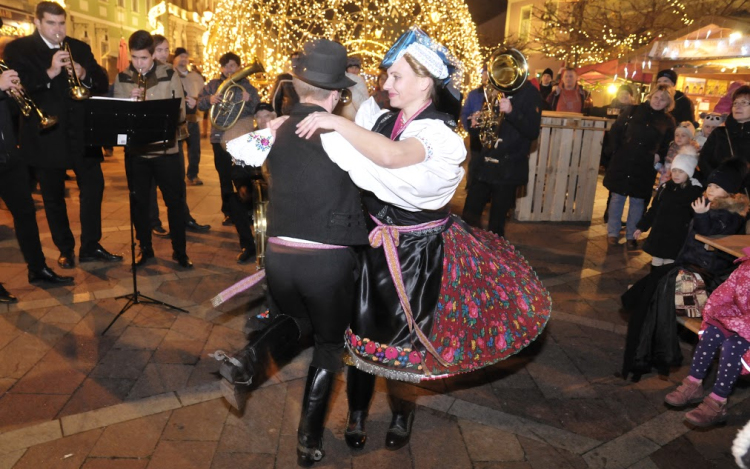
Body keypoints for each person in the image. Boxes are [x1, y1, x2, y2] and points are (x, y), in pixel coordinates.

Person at [294, 28, 551, 452]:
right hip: (372, 243)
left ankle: (401, 414)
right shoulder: (378, 118)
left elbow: (392, 155)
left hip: (416, 252)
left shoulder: (439, 135)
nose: (385, 84)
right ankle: (358, 412)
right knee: (359, 330)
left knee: (404, 337)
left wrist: (334, 119)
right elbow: (356, 155)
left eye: (396, 77)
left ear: (425, 81)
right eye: (386, 76)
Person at [216, 39, 368, 466]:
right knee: (327, 346)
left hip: (280, 259)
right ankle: (307, 440)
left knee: (297, 322)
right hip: (327, 262)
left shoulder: (279, 128)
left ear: (298, 88)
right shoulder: (345, 135)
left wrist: (262, 122)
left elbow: (231, 150)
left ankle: (248, 361)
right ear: (335, 95)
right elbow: (383, 182)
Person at [3, 1, 122, 269]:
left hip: (82, 133)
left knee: (94, 189)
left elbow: (101, 82)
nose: (58, 30)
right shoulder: (18, 49)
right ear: (37, 23)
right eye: (51, 23)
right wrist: (50, 72)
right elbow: (15, 91)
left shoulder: (78, 47)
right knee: (53, 197)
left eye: (61, 23)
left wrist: (84, 74)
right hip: (46, 135)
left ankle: (91, 245)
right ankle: (65, 248)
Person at [621, 158, 749, 381]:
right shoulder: (710, 205)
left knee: (653, 297)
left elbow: (708, 231)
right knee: (650, 293)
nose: (710, 189)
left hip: (703, 280)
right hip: (688, 269)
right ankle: (644, 351)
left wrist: (700, 215)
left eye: (717, 187)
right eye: (709, 185)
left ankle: (648, 356)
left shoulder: (731, 212)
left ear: (729, 193)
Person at [113, 30, 193, 269]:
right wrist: (130, 104)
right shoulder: (123, 78)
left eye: (144, 58)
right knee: (139, 203)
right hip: (137, 153)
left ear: (152, 55)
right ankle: (144, 248)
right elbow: (117, 118)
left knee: (175, 202)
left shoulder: (169, 73)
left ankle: (180, 251)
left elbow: (179, 111)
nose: (139, 64)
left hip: (166, 151)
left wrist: (150, 108)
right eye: (135, 58)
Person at [0, 60, 73, 303]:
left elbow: (12, 111)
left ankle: (37, 268)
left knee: (26, 214)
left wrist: (16, 94)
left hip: (9, 155)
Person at [664, 246, 750, 427]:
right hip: (741, 320)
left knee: (732, 345)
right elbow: (728, 290)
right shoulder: (746, 266)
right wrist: (715, 311)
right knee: (712, 331)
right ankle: (694, 384)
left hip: (746, 327)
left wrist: (738, 324)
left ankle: (717, 402)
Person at [462, 70, 543, 237]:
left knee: (496, 225)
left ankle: (494, 259)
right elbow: (486, 129)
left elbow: (533, 131)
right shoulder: (495, 90)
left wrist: (512, 112)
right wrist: (477, 124)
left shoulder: (531, 93)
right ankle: (466, 256)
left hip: (508, 166)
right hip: (485, 163)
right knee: (468, 217)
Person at [148, 37, 210, 238]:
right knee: (151, 184)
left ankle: (184, 217)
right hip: (152, 136)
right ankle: (153, 222)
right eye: (159, 50)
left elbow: (178, 97)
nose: (164, 54)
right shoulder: (144, 73)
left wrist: (189, 102)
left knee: (177, 181)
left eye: (166, 50)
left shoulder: (170, 71)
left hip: (173, 134)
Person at [603, 84, 676, 248]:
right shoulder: (633, 111)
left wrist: (660, 155)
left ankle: (631, 235)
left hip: (645, 164)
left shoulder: (668, 121)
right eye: (656, 97)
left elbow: (668, 143)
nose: (658, 101)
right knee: (617, 198)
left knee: (638, 201)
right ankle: (612, 233)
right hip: (624, 159)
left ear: (668, 103)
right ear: (650, 96)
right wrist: (614, 150)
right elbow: (616, 130)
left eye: (662, 99)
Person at [197, 52, 260, 226]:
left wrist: (248, 100)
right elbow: (199, 103)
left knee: (243, 176)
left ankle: (247, 210)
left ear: (239, 67)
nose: (228, 69)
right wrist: (209, 99)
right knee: (224, 177)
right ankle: (228, 212)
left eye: (232, 65)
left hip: (241, 137)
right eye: (225, 66)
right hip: (219, 137)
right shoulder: (213, 85)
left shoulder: (248, 87)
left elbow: (258, 109)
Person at [633, 152, 704, 268]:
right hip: (659, 233)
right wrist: (642, 226)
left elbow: (694, 216)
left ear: (689, 173)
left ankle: (663, 285)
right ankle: (653, 284)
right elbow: (654, 209)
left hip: (676, 236)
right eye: (674, 170)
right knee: (656, 263)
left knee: (668, 265)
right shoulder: (665, 188)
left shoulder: (694, 192)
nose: (676, 174)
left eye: (681, 171)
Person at [699, 84, 750, 193]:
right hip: (719, 195)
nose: (738, 106)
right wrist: (717, 182)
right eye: (735, 103)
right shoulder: (719, 133)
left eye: (744, 102)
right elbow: (704, 160)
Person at [172, 47, 205, 186]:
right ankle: (176, 176)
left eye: (186, 56)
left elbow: (204, 95)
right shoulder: (171, 74)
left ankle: (193, 174)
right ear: (174, 58)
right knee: (176, 151)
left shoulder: (196, 77)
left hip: (192, 118)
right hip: (176, 119)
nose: (184, 59)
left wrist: (197, 102)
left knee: (194, 149)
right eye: (181, 56)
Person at [657, 121, 700, 185]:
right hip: (666, 176)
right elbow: (666, 162)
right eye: (677, 135)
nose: (679, 138)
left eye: (683, 136)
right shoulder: (671, 147)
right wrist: (660, 167)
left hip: (680, 178)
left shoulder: (691, 152)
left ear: (690, 138)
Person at [270, 51, 300, 116]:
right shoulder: (283, 79)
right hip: (287, 115)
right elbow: (275, 99)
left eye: (298, 60)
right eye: (293, 60)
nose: (295, 63)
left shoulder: (307, 80)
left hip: (302, 115)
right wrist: (277, 116)